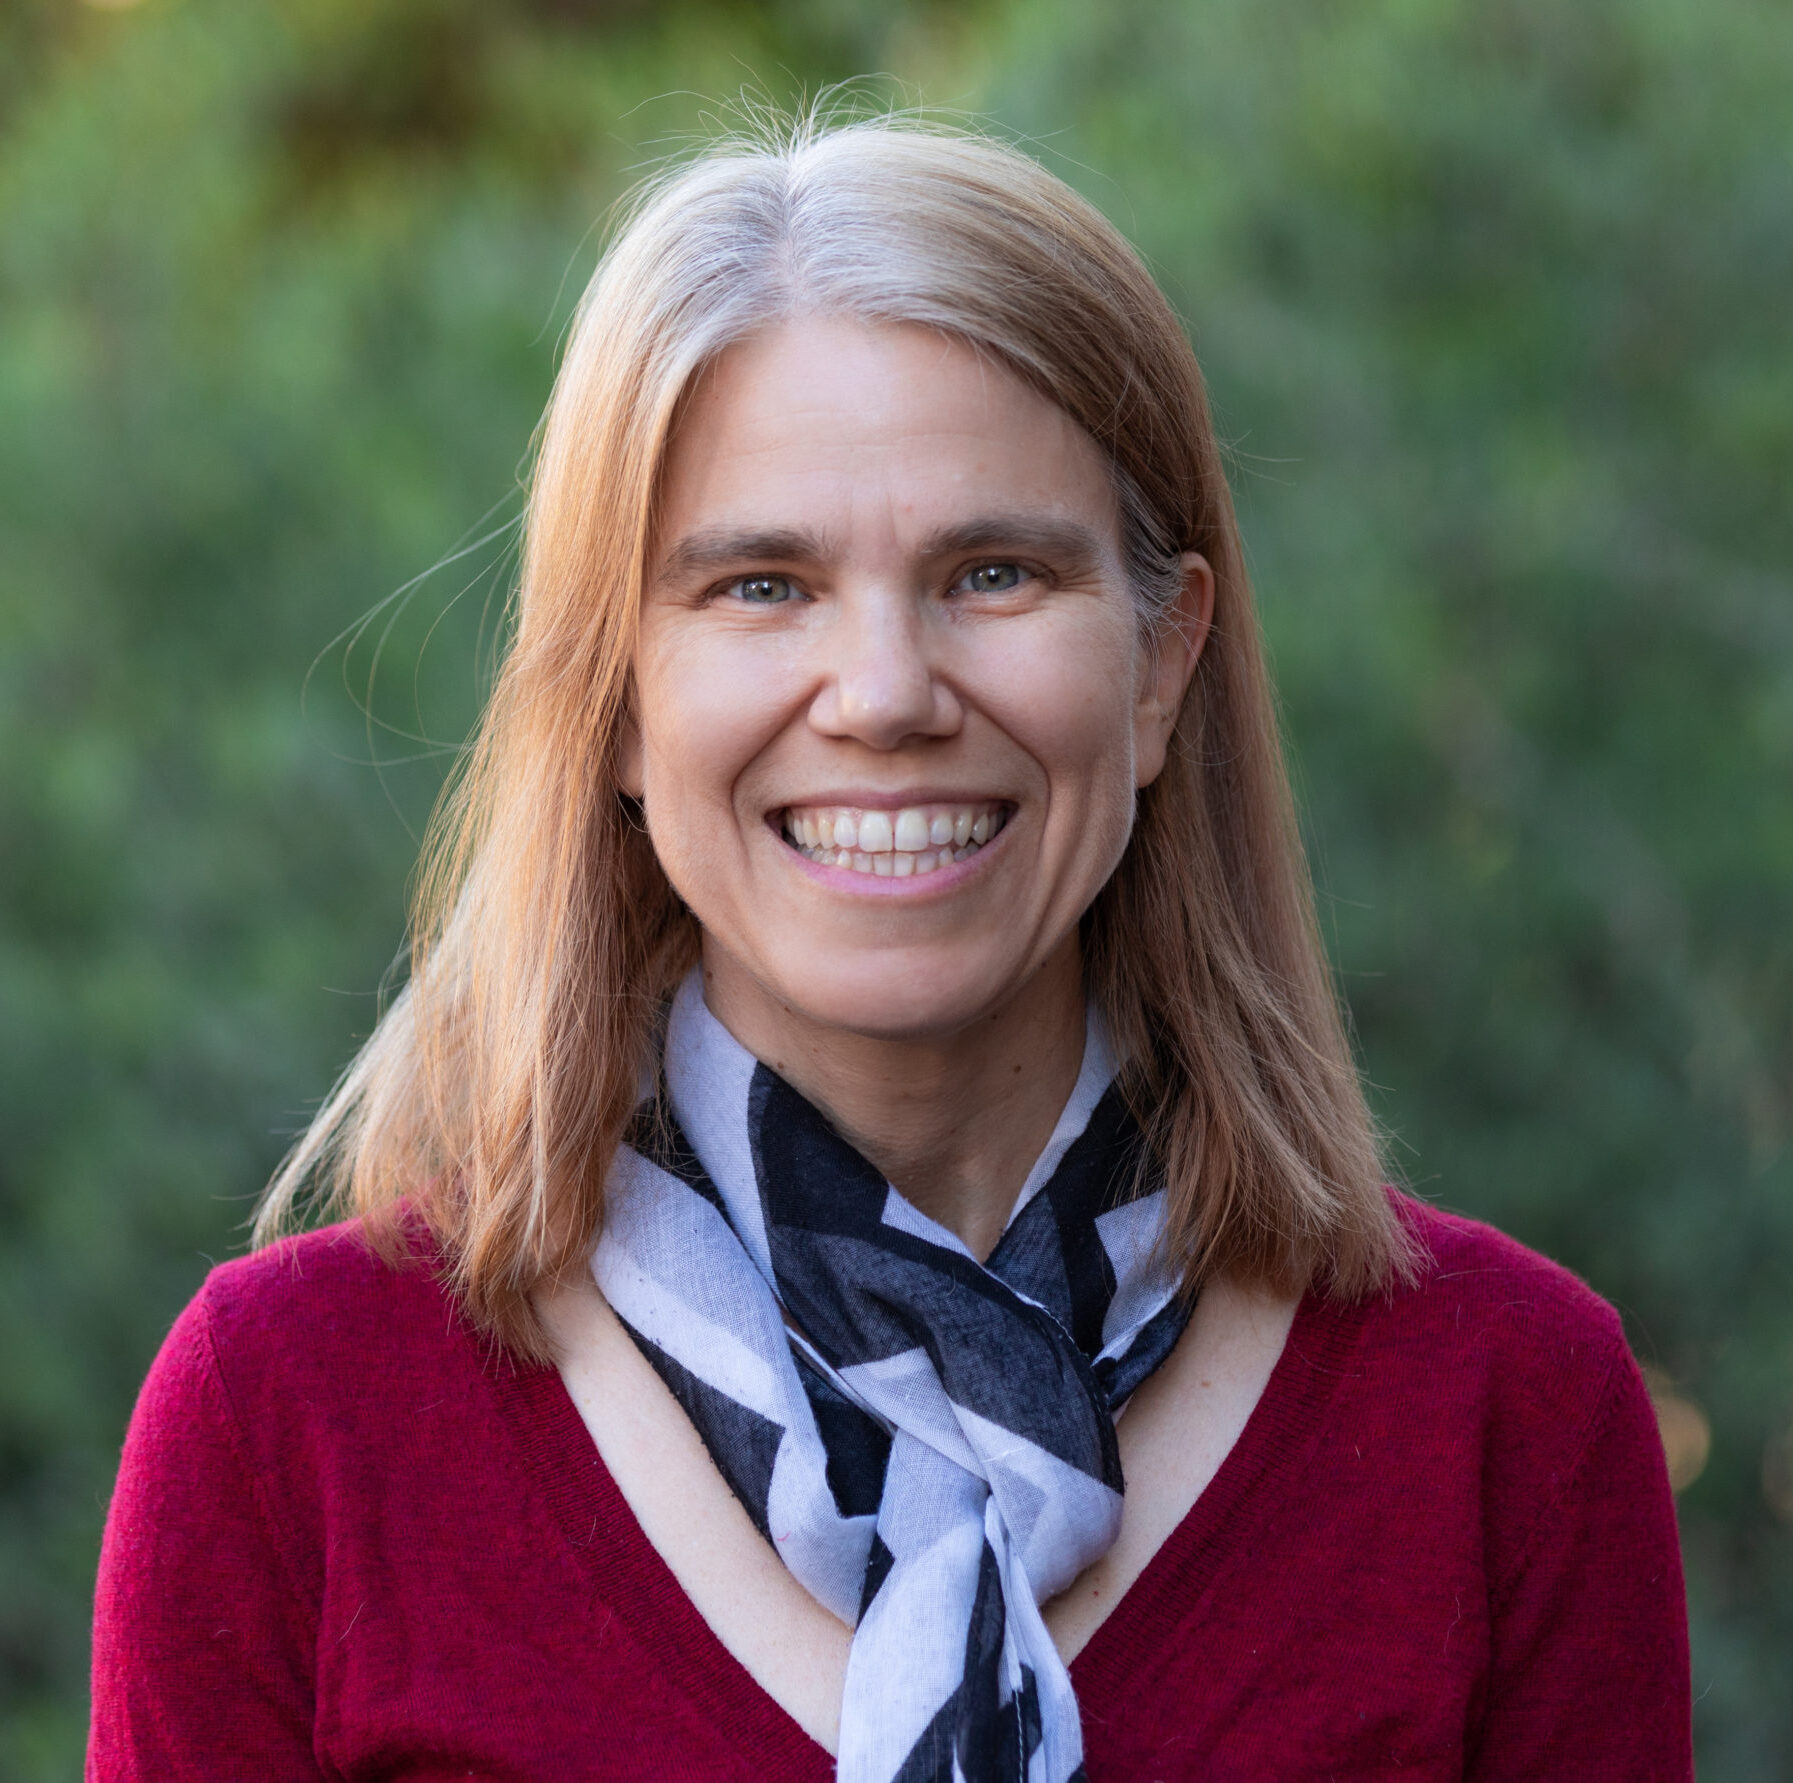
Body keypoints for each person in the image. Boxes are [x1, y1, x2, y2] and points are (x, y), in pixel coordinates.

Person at [89, 119, 1692, 1782]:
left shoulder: (1505, 1423)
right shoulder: (296, 1425)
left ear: (1159, 668)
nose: (885, 693)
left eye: (991, 573)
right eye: (761, 585)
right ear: (617, 703)